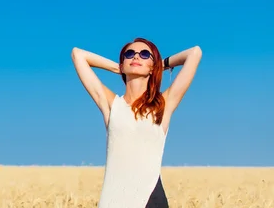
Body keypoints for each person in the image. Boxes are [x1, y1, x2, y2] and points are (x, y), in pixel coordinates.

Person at [70, 37, 202, 208]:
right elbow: (78, 54)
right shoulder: (112, 106)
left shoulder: (163, 105)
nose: (136, 57)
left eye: (145, 54)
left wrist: (159, 66)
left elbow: (194, 53)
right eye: (130, 54)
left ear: (152, 66)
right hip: (112, 201)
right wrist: (118, 68)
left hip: (151, 199)